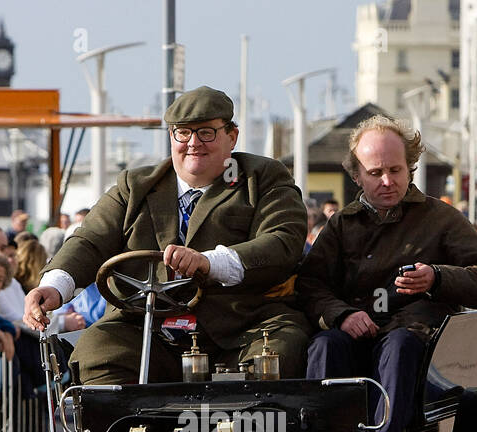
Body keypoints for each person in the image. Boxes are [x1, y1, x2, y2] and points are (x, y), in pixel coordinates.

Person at [23, 86, 310, 386]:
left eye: (206, 133)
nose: (193, 143)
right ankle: (125, 431)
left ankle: (242, 430)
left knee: (282, 348)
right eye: (182, 133)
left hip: (241, 329)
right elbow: (89, 241)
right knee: (96, 351)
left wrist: (209, 262)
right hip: (145, 328)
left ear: (232, 136)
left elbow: (282, 241)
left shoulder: (262, 178)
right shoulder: (135, 186)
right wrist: (54, 286)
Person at [296, 114, 477, 432]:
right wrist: (342, 315)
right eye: (375, 172)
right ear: (357, 176)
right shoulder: (341, 225)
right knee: (323, 346)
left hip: (416, 348)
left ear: (410, 167)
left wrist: (438, 277)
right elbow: (310, 286)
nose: (387, 181)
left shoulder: (440, 218)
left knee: (399, 346)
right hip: (355, 338)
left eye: (395, 170)